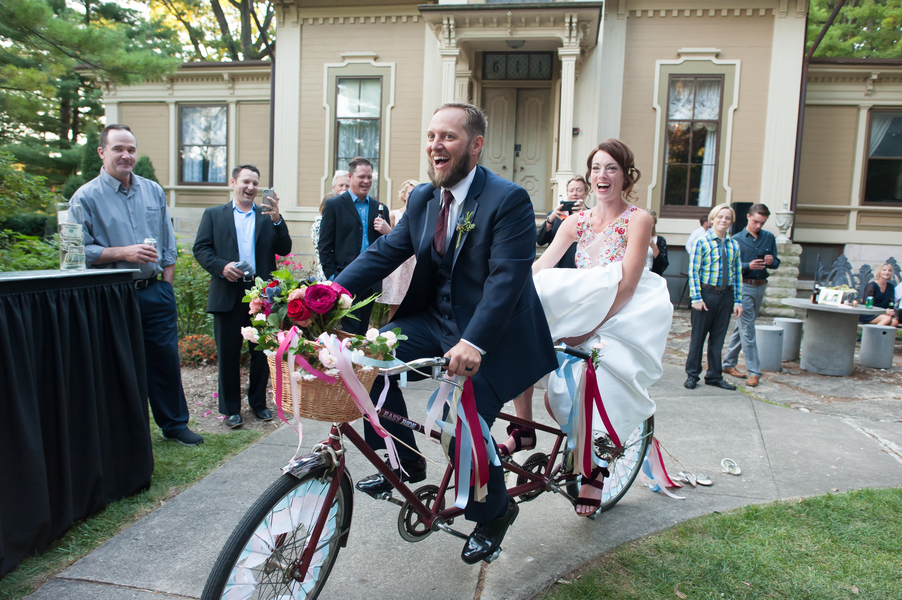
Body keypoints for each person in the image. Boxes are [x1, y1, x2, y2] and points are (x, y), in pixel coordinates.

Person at [335, 102, 557, 565]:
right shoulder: (421, 198)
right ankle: (405, 461)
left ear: (475, 146)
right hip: (434, 322)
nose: (436, 145)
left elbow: (506, 279)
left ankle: (495, 511)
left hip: (495, 338)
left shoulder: (508, 199)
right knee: (366, 362)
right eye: (432, 135)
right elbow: (383, 253)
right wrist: (325, 294)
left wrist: (474, 342)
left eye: (449, 137)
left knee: (461, 422)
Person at [501, 139, 673, 517]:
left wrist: (585, 332)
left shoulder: (638, 219)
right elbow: (540, 266)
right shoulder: (576, 221)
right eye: (596, 168)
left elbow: (627, 285)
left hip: (621, 310)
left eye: (611, 168)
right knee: (525, 318)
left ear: (626, 175)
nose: (602, 175)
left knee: (597, 381)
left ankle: (596, 471)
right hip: (585, 302)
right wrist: (501, 293)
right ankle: (523, 427)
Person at [71, 124, 203, 446]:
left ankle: (174, 425)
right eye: (118, 149)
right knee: (117, 366)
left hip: (155, 292)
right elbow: (72, 255)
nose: (126, 155)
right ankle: (125, 432)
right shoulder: (84, 198)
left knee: (165, 360)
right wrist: (122, 252)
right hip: (111, 296)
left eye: (130, 149)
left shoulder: (153, 191)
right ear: (102, 152)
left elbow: (168, 245)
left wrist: (166, 288)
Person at [193, 164, 292, 429]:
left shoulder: (265, 216)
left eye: (255, 183)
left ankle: (258, 404)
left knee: (261, 353)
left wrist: (277, 218)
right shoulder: (214, 215)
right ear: (233, 182)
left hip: (260, 295)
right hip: (227, 291)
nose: (250, 188)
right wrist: (221, 267)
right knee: (228, 353)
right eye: (245, 182)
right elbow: (200, 249)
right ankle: (231, 409)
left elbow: (284, 249)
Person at [318, 158, 389, 334]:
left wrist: (388, 231)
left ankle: (358, 362)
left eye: (370, 177)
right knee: (345, 331)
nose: (366, 181)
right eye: (361, 176)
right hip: (344, 278)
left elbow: (387, 246)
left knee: (363, 329)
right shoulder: (334, 205)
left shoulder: (380, 208)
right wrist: (333, 276)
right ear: (350, 176)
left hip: (371, 279)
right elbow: (325, 245)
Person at [685, 204, 743, 391]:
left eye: (727, 218)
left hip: (726, 295)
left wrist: (738, 300)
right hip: (706, 295)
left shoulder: (734, 245)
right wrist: (696, 298)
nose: (723, 221)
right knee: (698, 337)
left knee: (718, 339)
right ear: (712, 219)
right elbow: (693, 272)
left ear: (731, 222)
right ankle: (692, 374)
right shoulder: (702, 243)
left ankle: (714, 376)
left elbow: (737, 274)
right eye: (720, 217)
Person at [722, 204, 780, 387]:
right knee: (748, 329)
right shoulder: (736, 240)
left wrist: (772, 261)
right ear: (748, 217)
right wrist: (748, 266)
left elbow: (777, 262)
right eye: (756, 221)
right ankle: (755, 372)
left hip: (761, 286)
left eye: (762, 223)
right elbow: (729, 267)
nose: (758, 226)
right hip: (743, 287)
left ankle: (728, 363)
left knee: (743, 326)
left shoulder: (769, 238)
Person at [377, 179, 419, 321]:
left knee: (414, 305)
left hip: (415, 264)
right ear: (404, 195)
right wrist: (388, 230)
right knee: (396, 305)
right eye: (409, 192)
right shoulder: (394, 214)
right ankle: (391, 337)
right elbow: (390, 240)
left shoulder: (422, 215)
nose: (412, 195)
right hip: (400, 266)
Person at [536, 176, 590, 269]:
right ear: (567, 193)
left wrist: (587, 215)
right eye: (571, 190)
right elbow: (540, 241)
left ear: (585, 194)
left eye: (579, 190)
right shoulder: (555, 214)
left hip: (580, 267)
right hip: (557, 266)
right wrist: (550, 220)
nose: (575, 194)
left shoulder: (592, 214)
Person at [311, 171, 350, 281]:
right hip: (329, 271)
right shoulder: (319, 223)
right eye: (341, 185)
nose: (344, 189)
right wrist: (331, 274)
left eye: (347, 186)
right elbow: (324, 247)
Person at [860, 263, 899, 327]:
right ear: (879, 272)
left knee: (895, 322)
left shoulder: (891, 287)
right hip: (869, 314)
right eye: (884, 270)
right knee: (887, 319)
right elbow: (866, 305)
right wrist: (883, 311)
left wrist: (892, 312)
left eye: (889, 270)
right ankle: (868, 336)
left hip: (884, 314)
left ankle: (881, 336)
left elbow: (891, 303)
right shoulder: (872, 286)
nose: (887, 272)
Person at [645, 209, 669, 276]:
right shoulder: (634, 237)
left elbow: (663, 264)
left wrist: (654, 246)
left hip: (652, 275)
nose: (647, 225)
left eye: (651, 223)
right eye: (645, 222)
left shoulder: (660, 240)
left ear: (654, 224)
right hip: (637, 276)